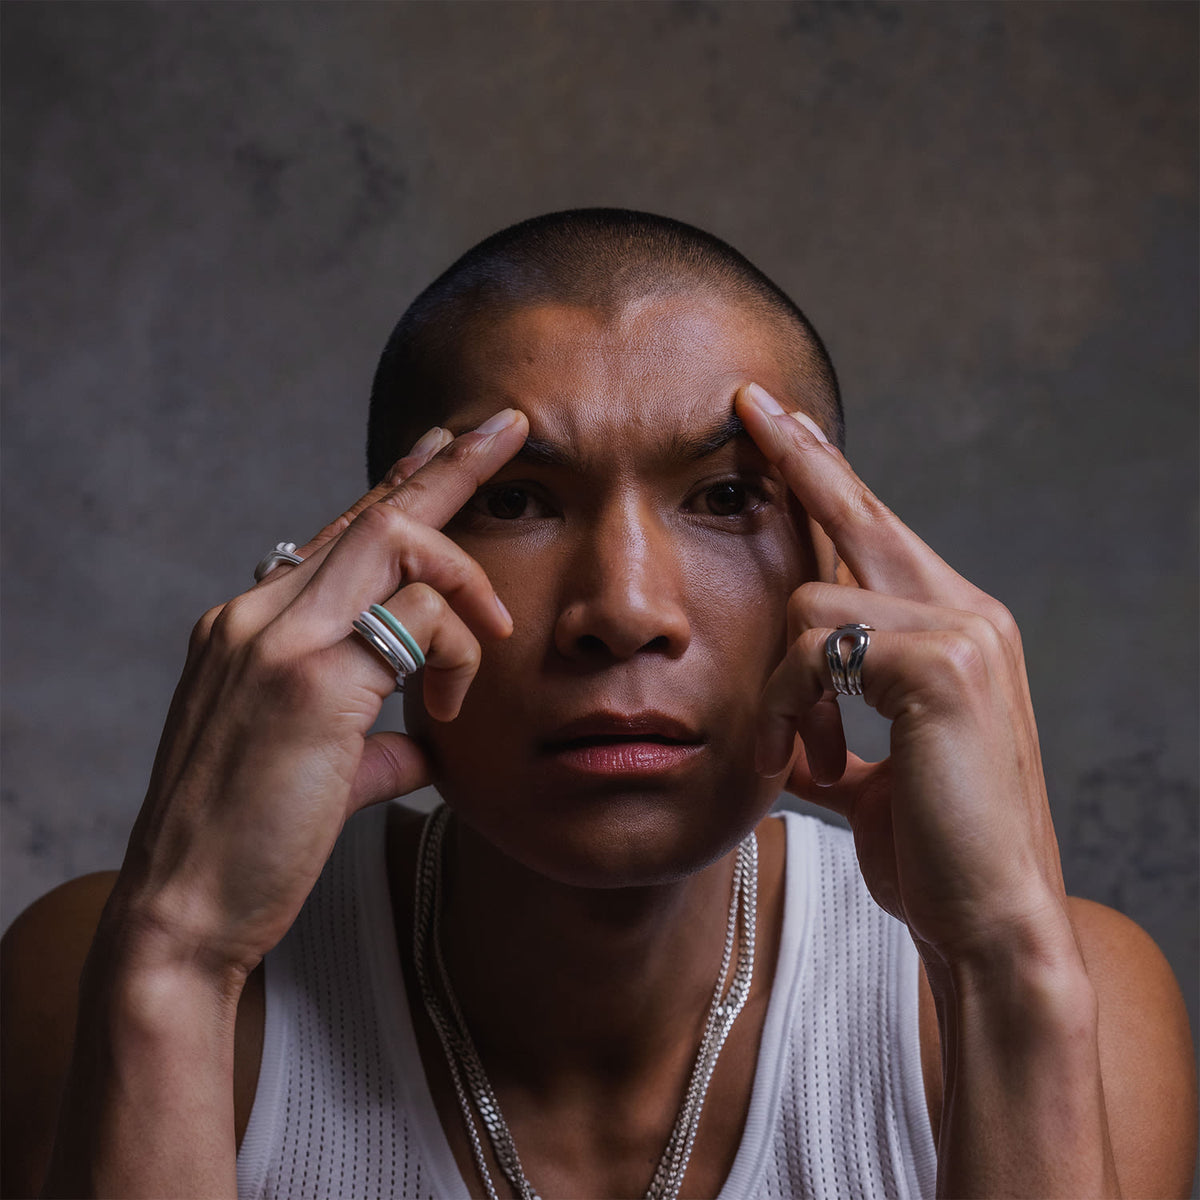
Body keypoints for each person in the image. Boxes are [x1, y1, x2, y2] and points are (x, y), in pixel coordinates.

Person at [1, 209, 1195, 1200]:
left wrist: (1004, 968)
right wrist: (180, 956)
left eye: (725, 497)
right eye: (516, 501)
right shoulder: (102, 965)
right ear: (378, 566)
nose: (624, 608)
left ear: (836, 569)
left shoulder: (1067, 992)